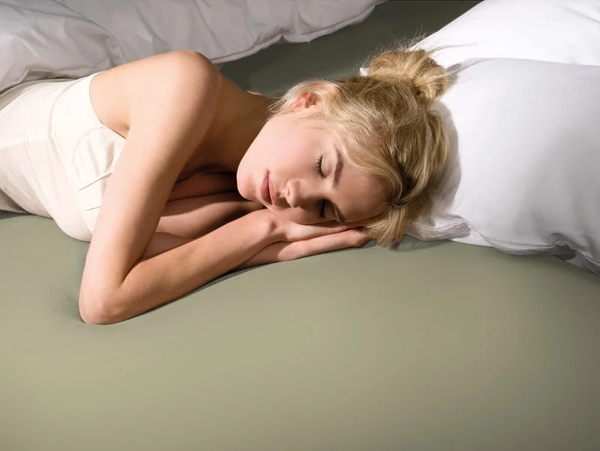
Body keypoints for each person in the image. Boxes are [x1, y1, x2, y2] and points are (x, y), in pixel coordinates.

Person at [0, 41, 450, 325]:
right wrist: (265, 232)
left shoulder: (247, 194)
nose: (297, 200)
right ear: (309, 101)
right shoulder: (184, 86)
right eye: (321, 166)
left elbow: (140, 273)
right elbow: (104, 302)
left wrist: (263, 232)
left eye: (324, 209)